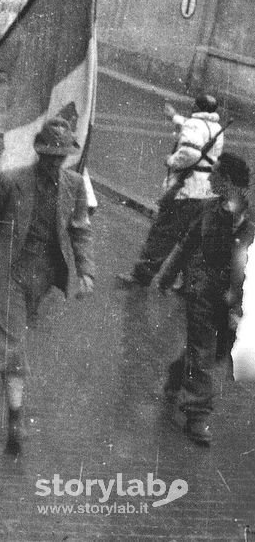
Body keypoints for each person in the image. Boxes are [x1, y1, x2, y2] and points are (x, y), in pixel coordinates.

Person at [0, 117, 95, 454]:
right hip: (3, 270)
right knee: (14, 341)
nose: (55, 163)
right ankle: (15, 419)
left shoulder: (75, 185)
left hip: (39, 276)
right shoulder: (12, 181)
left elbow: (80, 230)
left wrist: (86, 270)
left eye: (61, 157)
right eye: (50, 156)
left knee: (6, 332)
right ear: (39, 153)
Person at [157, 153, 254, 446]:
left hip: (235, 295)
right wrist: (167, 274)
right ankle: (197, 415)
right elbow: (187, 243)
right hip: (202, 289)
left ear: (227, 181)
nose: (210, 178)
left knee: (217, 350)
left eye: (215, 174)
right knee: (203, 349)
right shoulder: (207, 209)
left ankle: (177, 373)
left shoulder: (249, 217)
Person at [117, 94, 225, 287]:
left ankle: (142, 276)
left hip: (186, 188)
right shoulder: (216, 127)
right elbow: (192, 128)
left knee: (163, 233)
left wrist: (171, 161)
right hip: (205, 190)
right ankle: (188, 284)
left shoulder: (194, 124)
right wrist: (174, 117)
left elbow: (191, 151)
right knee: (192, 239)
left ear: (196, 107)